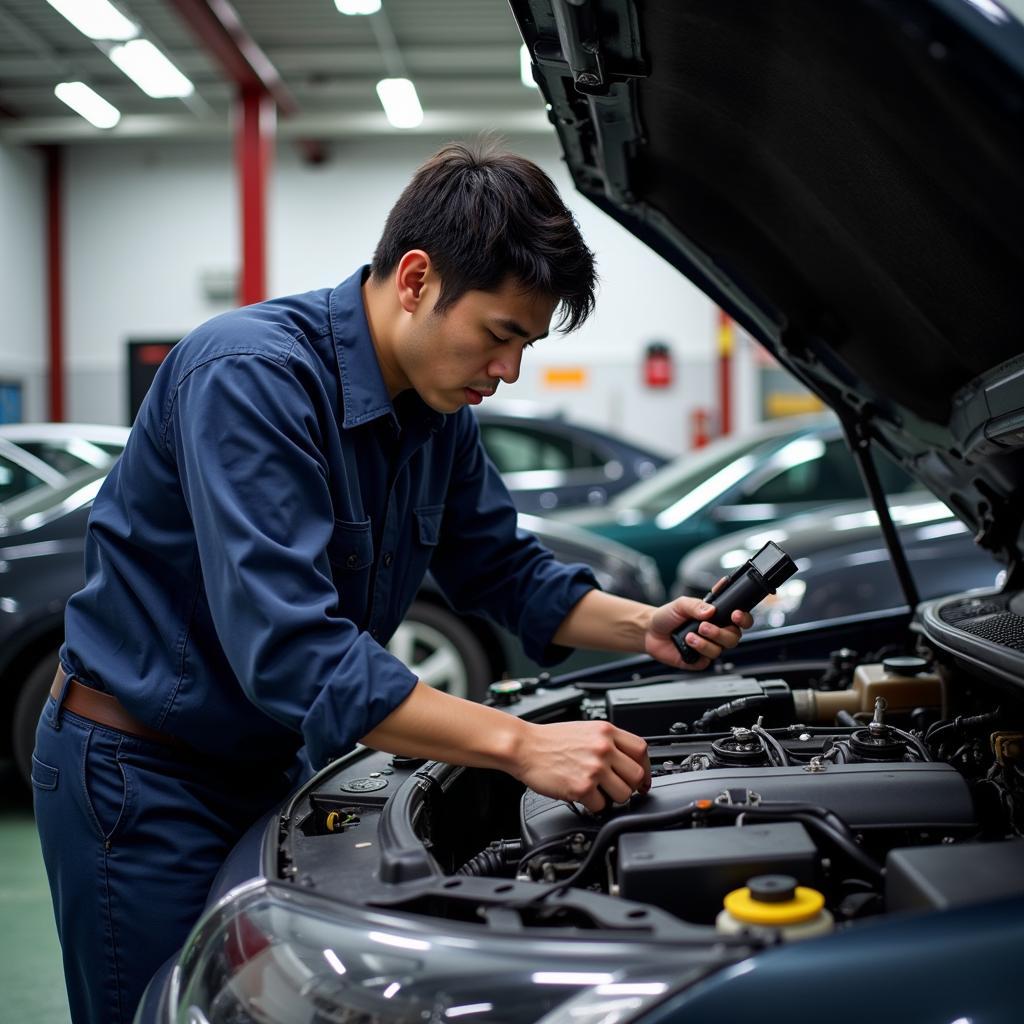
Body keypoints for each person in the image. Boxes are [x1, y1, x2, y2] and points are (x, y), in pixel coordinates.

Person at [33, 140, 752, 1024]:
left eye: (526, 344)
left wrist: (643, 624)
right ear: (415, 279)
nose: (509, 372)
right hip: (142, 780)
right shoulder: (254, 376)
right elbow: (295, 653)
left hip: (265, 764)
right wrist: (527, 746)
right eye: (500, 335)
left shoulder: (435, 411)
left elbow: (501, 566)